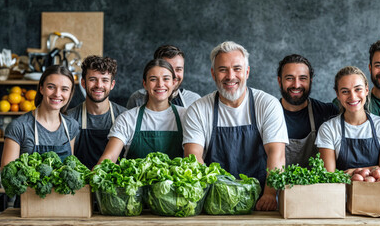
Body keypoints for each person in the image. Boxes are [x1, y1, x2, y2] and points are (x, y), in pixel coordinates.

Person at [183, 41, 288, 211]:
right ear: (213, 74)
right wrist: (217, 196)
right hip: (214, 203)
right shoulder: (199, 109)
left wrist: (269, 194)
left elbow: (277, 154)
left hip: (261, 202)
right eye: (223, 69)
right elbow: (193, 157)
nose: (230, 76)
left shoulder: (267, 104)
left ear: (247, 72)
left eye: (237, 69)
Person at [97, 58, 186, 163]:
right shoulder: (127, 118)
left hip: (177, 180)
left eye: (166, 79)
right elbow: (109, 157)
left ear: (173, 83)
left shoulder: (185, 116)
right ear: (145, 84)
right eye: (153, 79)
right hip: (135, 179)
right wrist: (97, 172)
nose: (160, 84)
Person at [316, 66, 380, 174]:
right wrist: (373, 169)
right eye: (345, 91)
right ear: (338, 95)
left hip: (377, 190)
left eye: (358, 89)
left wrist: (352, 172)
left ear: (366, 90)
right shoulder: (328, 129)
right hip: (340, 190)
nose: (353, 97)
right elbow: (329, 176)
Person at [1, 65, 80, 167]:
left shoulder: (71, 125)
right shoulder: (19, 127)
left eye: (64, 89)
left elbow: (69, 167)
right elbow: (7, 175)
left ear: (70, 93)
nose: (57, 94)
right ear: (41, 89)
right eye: (51, 87)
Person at [276, 54, 338, 168]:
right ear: (280, 81)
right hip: (279, 186)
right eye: (289, 78)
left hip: (318, 186)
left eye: (303, 78)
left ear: (311, 81)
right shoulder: (269, 114)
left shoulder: (327, 112)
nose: (296, 85)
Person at [67, 56, 127, 169]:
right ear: (83, 83)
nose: (99, 85)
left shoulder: (124, 116)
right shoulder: (70, 118)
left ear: (112, 84)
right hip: (81, 184)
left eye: (105, 80)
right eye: (92, 79)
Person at [126, 45, 200, 109]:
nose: (173, 75)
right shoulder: (137, 99)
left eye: (178, 69)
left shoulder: (194, 100)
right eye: (168, 69)